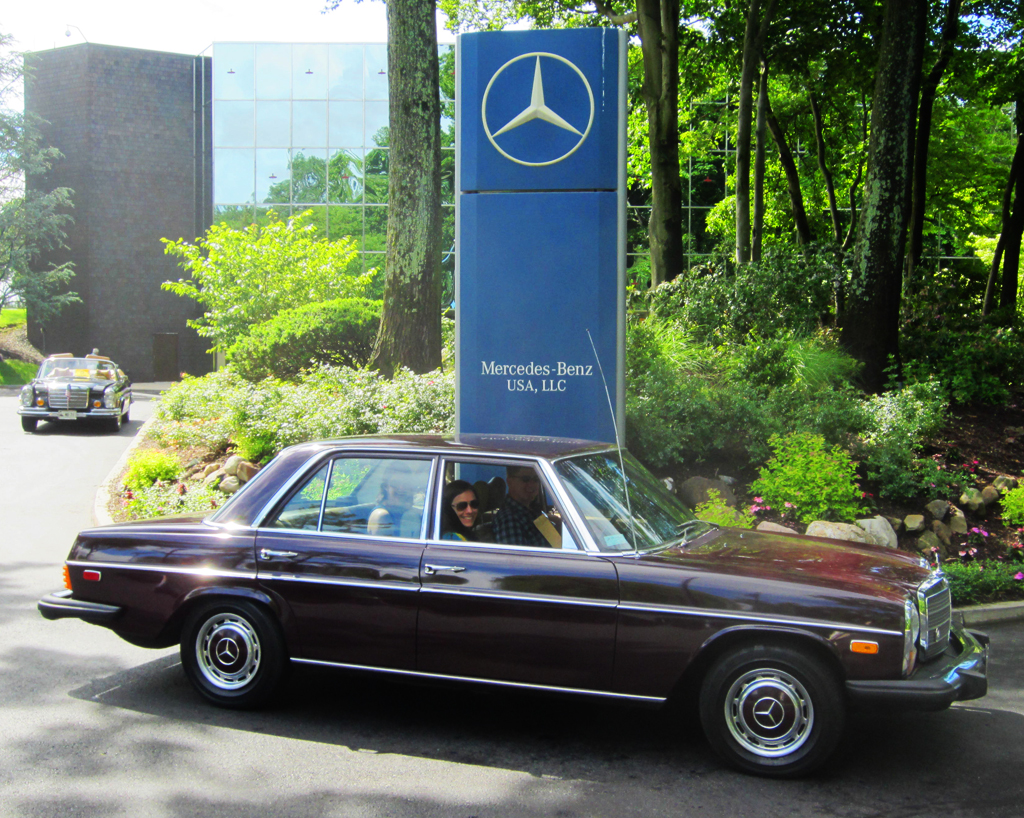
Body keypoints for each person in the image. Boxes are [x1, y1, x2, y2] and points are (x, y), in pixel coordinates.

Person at [492, 465, 549, 547]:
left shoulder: (531, 511)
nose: (531, 485)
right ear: (510, 482)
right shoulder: (509, 519)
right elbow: (516, 558)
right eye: (525, 479)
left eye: (536, 479)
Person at [367, 463, 420, 537]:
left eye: (406, 484)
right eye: (395, 483)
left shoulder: (407, 512)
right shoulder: (382, 516)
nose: (401, 488)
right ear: (386, 486)